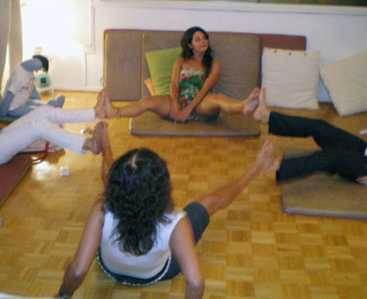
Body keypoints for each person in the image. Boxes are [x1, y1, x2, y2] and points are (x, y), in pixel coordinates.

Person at [56, 123, 275, 298]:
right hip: (157, 274)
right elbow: (196, 283)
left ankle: (106, 150)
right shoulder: (176, 221)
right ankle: (255, 170)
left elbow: (77, 272)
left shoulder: (101, 208)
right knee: (209, 202)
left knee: (120, 188)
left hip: (109, 269)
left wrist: (62, 296)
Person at [0, 56, 108, 189]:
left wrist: (1, 128)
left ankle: (94, 112)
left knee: (43, 111)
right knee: (37, 126)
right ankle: (88, 144)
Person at [104, 26, 260, 123]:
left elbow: (205, 89)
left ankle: (243, 106)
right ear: (190, 45)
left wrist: (188, 110)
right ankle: (116, 112)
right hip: (178, 102)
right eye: (198, 39)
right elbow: (173, 84)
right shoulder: (180, 61)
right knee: (148, 101)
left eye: (204, 38)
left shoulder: (214, 64)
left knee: (218, 98)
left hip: (201, 105)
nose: (203, 41)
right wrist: (175, 105)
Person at [0, 55, 65, 117]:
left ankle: (53, 105)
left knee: (40, 104)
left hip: (24, 102)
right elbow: (9, 94)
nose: (37, 70)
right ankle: (51, 111)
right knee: (37, 111)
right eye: (39, 68)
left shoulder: (30, 72)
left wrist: (37, 98)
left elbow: (31, 87)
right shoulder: (19, 75)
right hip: (14, 108)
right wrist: (3, 112)